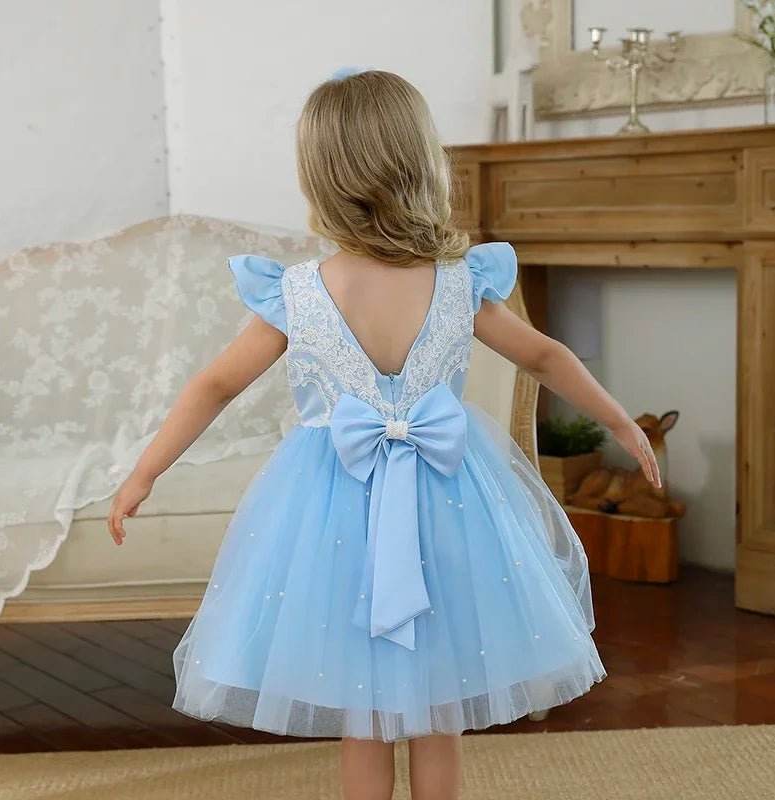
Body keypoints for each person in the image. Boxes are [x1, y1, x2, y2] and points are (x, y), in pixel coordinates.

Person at [107, 67, 660, 800]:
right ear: (422, 163)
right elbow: (545, 357)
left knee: (362, 713)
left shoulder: (299, 291)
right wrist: (620, 420)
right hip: (452, 503)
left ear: (319, 177)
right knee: (440, 705)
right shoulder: (459, 281)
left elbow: (214, 384)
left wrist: (144, 471)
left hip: (334, 509)